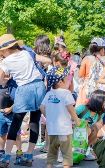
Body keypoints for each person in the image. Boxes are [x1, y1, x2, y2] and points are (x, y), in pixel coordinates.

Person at [0, 34, 49, 167]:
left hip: (24, 89)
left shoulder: (5, 62)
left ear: (5, 50)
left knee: (16, 121)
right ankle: (28, 156)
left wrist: (7, 79)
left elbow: (0, 80)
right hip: (39, 86)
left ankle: (6, 158)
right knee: (34, 120)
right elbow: (47, 60)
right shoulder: (27, 53)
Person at [40, 67, 81, 168]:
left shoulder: (49, 94)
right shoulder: (66, 93)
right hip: (64, 131)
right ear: (59, 82)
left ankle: (49, 166)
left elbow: (41, 106)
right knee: (66, 154)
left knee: (51, 152)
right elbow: (70, 108)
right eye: (66, 79)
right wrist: (77, 120)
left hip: (52, 130)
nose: (68, 81)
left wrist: (48, 116)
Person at [75, 90, 105, 160]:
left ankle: (85, 150)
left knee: (97, 127)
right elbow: (68, 119)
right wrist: (83, 123)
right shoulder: (82, 108)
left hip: (86, 136)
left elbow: (99, 130)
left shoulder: (100, 114)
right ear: (98, 101)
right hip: (75, 134)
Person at [76, 38, 105, 106]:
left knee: (84, 112)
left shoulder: (87, 59)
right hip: (100, 91)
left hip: (88, 89)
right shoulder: (104, 61)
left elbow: (80, 75)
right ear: (102, 49)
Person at [0, 77, 22, 164]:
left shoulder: (14, 83)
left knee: (16, 135)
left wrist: (10, 108)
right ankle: (1, 152)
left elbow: (20, 99)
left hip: (13, 114)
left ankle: (19, 153)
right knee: (2, 134)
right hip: (1, 114)